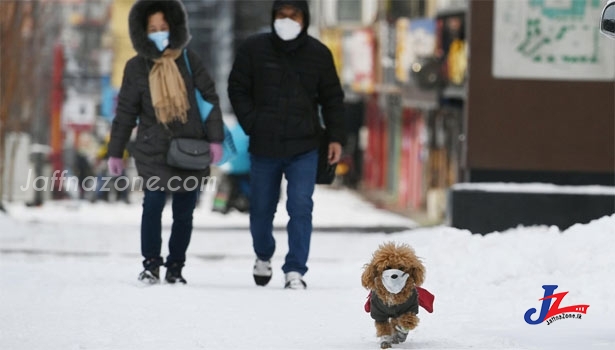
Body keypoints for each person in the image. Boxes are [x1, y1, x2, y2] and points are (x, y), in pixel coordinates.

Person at [228, 0, 345, 289]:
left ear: (304, 19)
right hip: (264, 145)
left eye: (294, 15)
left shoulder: (319, 54)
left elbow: (333, 99)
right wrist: (252, 123)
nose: (287, 20)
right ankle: (263, 255)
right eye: (282, 14)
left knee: (301, 206)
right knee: (261, 208)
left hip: (304, 145)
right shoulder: (253, 50)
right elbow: (237, 88)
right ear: (273, 17)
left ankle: (295, 270)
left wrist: (336, 137)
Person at [107, 0, 224, 285]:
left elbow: (209, 100)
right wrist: (115, 151)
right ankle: (151, 264)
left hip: (189, 148)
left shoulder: (188, 60)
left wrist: (215, 139)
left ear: (174, 28)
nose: (159, 33)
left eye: (163, 27)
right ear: (142, 32)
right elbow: (126, 113)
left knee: (184, 211)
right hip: (152, 149)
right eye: (152, 29)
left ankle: (175, 267)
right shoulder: (136, 67)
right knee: (153, 204)